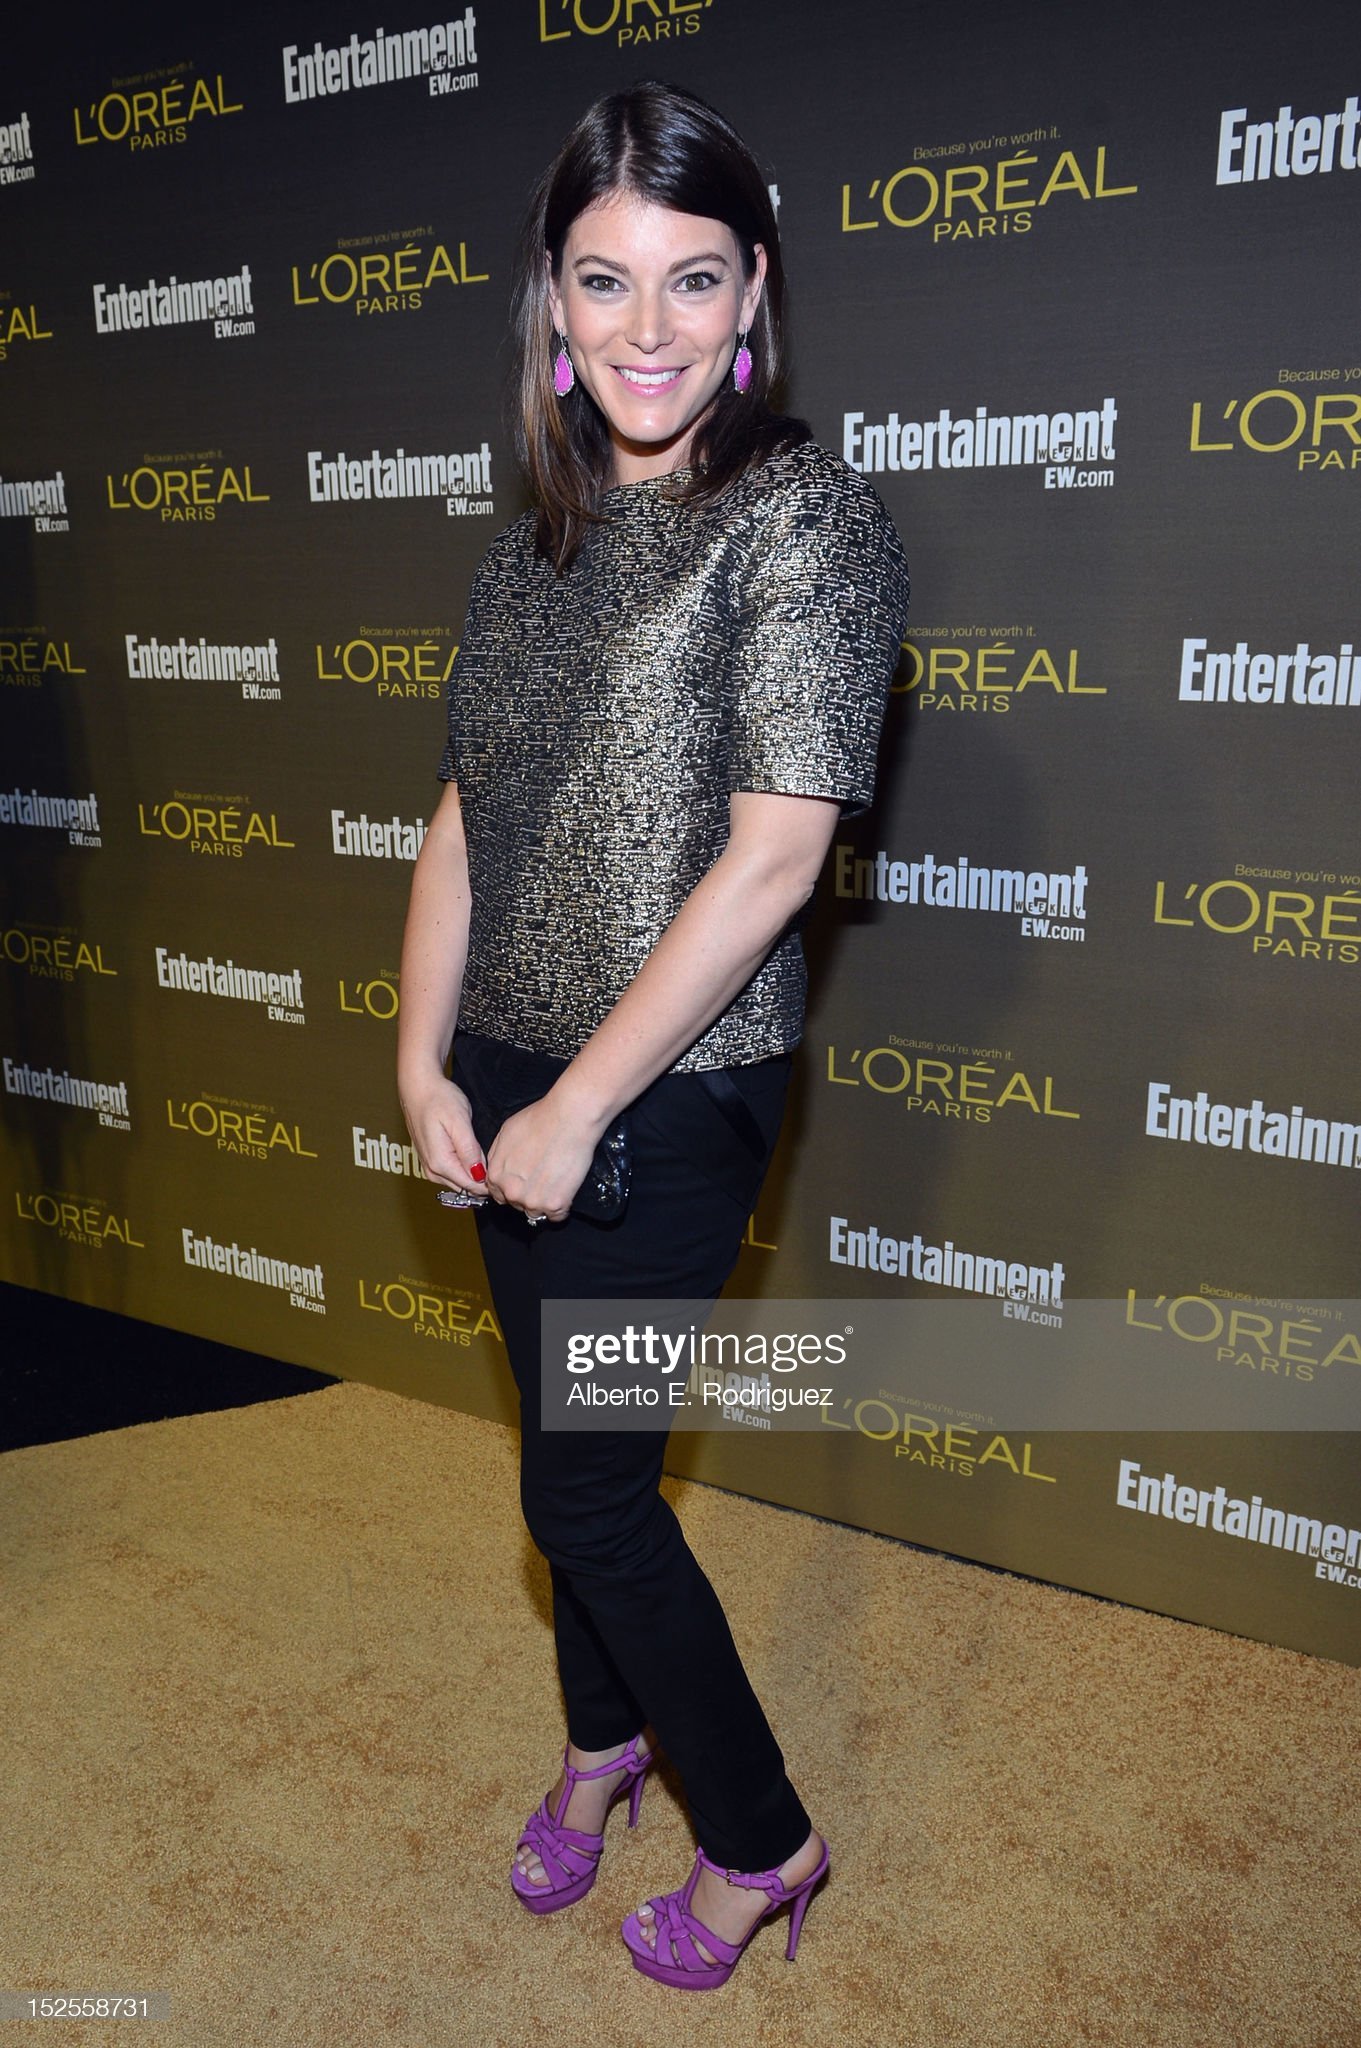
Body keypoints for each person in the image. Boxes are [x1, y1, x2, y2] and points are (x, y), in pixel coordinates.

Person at [397, 79, 908, 1991]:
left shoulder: (805, 522)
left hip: (668, 1094)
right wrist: (422, 1062)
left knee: (588, 1495)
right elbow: (464, 823)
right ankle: (601, 1745)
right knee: (565, 1455)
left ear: (753, 289)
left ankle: (761, 1841)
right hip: (505, 1078)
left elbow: (774, 859)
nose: (647, 328)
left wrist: (581, 1108)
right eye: (603, 280)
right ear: (550, 294)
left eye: (691, 279)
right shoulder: (521, 550)